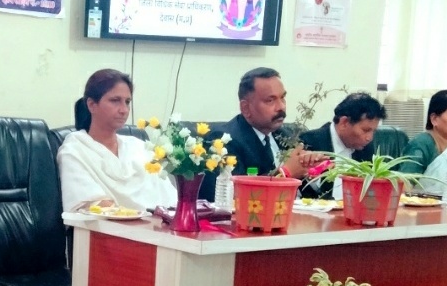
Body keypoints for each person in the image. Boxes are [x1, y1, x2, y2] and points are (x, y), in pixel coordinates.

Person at [56, 69, 177, 212]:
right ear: (92, 105)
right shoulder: (74, 150)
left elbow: (171, 201)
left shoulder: (139, 147)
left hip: (160, 224)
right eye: (115, 100)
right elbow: (90, 205)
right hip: (105, 225)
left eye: (127, 102)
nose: (124, 110)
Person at [200, 67, 323, 201]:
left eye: (282, 98)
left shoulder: (287, 136)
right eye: (270, 100)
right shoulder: (224, 142)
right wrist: (286, 173)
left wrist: (312, 170)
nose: (281, 106)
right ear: (246, 108)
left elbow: (311, 194)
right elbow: (233, 196)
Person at [298, 93, 387, 198]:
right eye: (365, 130)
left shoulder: (366, 149)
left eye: (373, 131)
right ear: (344, 122)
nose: (369, 138)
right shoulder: (309, 142)